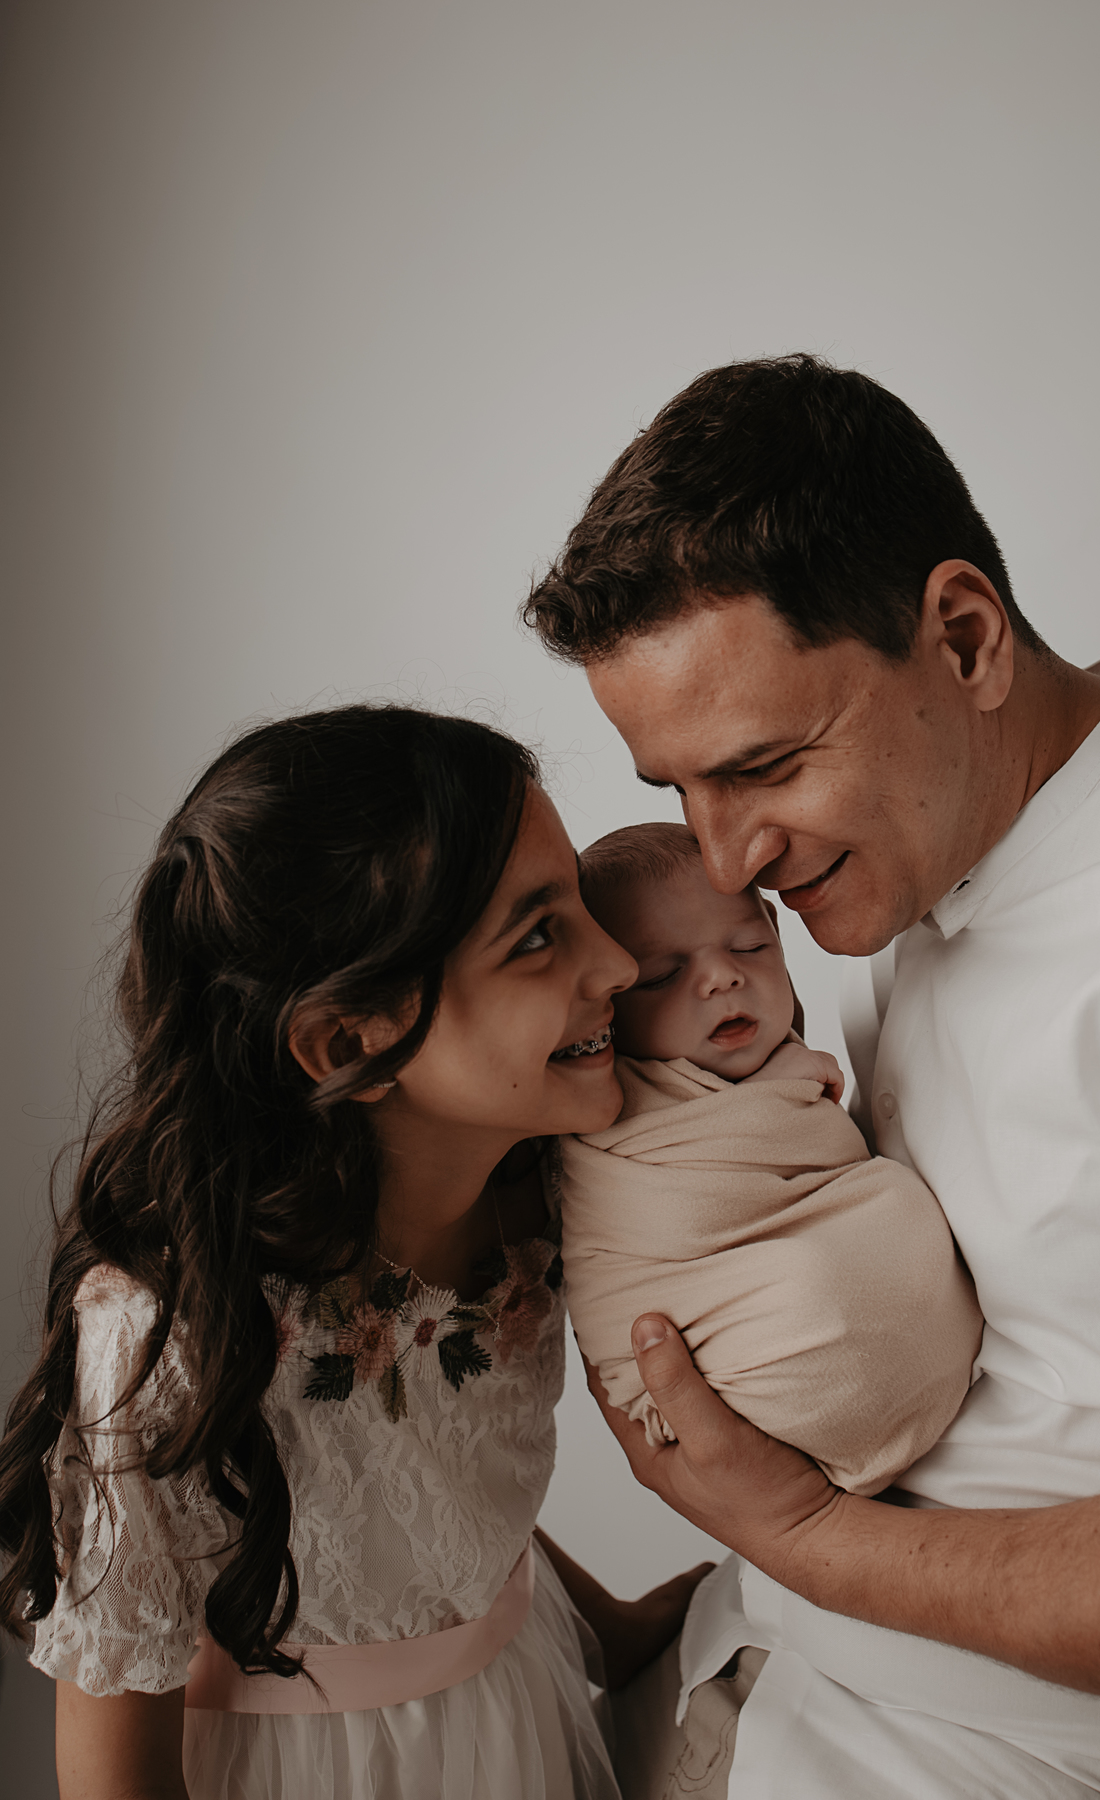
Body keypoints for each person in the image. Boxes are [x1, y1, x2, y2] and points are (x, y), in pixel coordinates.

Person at [524, 354, 1100, 1796]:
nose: (726, 863)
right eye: (680, 791)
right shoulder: (935, 854)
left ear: (964, 638)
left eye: (763, 764)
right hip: (735, 1674)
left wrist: (806, 1541)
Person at [0, 704, 711, 1800]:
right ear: (349, 1042)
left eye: (579, 900)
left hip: (516, 1714)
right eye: (537, 936)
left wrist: (608, 1631)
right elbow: (112, 1780)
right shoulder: (170, 1334)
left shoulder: (547, 1190)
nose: (617, 960)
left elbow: (428, 1505)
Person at [557, 820, 980, 1492]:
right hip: (741, 1381)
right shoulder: (606, 1107)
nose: (722, 977)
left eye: (750, 947)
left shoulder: (793, 1050)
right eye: (663, 975)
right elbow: (679, 1210)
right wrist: (778, 1098)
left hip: (940, 1427)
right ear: (604, 1007)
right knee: (820, 1281)